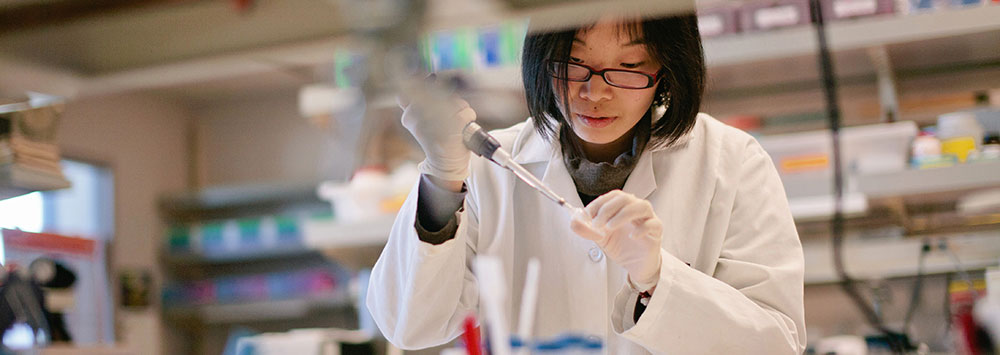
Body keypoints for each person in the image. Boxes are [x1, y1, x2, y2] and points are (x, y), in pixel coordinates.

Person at [367, 11, 806, 355]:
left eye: (629, 65)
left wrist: (658, 278)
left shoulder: (730, 163)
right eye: (574, 63)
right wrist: (444, 179)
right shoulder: (487, 168)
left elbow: (777, 343)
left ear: (667, 69)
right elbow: (409, 324)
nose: (595, 93)